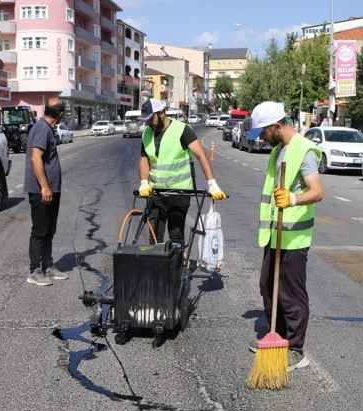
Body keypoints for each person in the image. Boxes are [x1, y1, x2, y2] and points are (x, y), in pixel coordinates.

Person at [247, 101, 324, 371]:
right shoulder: (278, 149)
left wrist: (292, 199)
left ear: (276, 126)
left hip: (294, 238)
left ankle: (295, 349)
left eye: (263, 133)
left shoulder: (305, 151)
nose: (261, 139)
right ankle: (275, 339)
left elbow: (317, 191)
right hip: (275, 234)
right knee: (267, 287)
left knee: (292, 296)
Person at [137, 99, 226, 246]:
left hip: (179, 192)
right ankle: (156, 267)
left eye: (150, 118)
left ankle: (176, 267)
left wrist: (212, 184)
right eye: (145, 120)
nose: (148, 123)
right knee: (154, 234)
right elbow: (144, 159)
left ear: (162, 113)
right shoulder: (147, 132)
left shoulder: (182, 129)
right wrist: (144, 183)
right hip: (156, 191)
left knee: (176, 234)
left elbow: (201, 155)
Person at [25, 98, 69, 286]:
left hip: (50, 190)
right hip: (41, 191)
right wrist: (44, 186)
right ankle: (35, 270)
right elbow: (36, 158)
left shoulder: (45, 128)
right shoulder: (43, 129)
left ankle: (48, 266)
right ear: (60, 115)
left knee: (49, 230)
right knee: (40, 230)